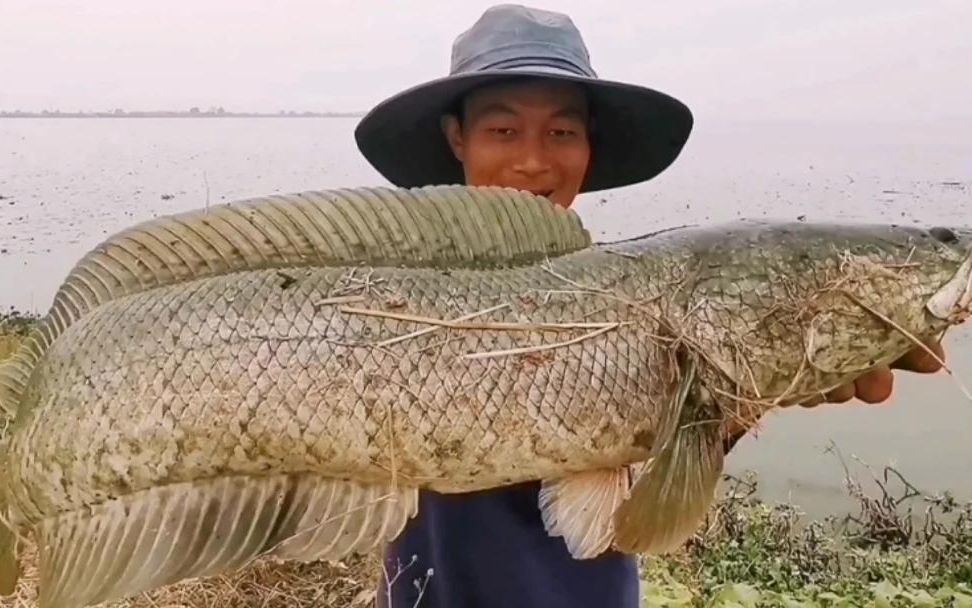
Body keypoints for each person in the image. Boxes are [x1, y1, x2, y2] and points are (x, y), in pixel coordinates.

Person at [353, 5, 946, 607]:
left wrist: (736, 401)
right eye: (502, 131)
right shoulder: (391, 298)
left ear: (588, 144)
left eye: (561, 131)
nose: (533, 160)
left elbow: (630, 505)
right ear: (458, 137)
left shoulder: (635, 297)